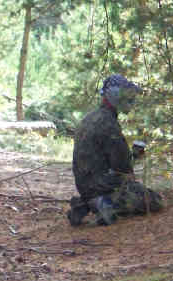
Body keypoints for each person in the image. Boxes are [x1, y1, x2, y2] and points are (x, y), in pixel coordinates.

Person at [67, 74, 162, 226]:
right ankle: (105, 205)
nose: (131, 101)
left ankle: (86, 203)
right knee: (154, 200)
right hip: (102, 186)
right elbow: (122, 167)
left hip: (86, 185)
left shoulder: (90, 117)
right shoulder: (108, 123)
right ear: (115, 95)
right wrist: (135, 157)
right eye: (127, 95)